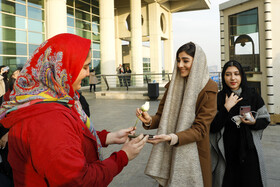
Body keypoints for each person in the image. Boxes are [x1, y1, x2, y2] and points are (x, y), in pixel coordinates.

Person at [0, 33, 148, 187]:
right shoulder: (49, 119)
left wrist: (108, 137)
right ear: (60, 68)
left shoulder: (52, 100)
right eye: (84, 67)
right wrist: (123, 156)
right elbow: (79, 181)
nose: (88, 72)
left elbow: (71, 138)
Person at [136, 42, 218, 187]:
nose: (180, 65)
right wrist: (149, 120)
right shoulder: (172, 86)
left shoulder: (209, 88)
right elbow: (161, 117)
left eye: (185, 61)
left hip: (195, 155)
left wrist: (172, 137)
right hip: (170, 150)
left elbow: (200, 129)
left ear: (197, 62)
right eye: (178, 60)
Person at [210, 60, 270, 187]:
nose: (233, 78)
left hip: (249, 151)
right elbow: (213, 127)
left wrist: (253, 122)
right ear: (223, 76)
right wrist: (226, 108)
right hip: (227, 153)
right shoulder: (219, 98)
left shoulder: (252, 94)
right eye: (228, 74)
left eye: (236, 74)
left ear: (241, 75)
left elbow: (265, 119)